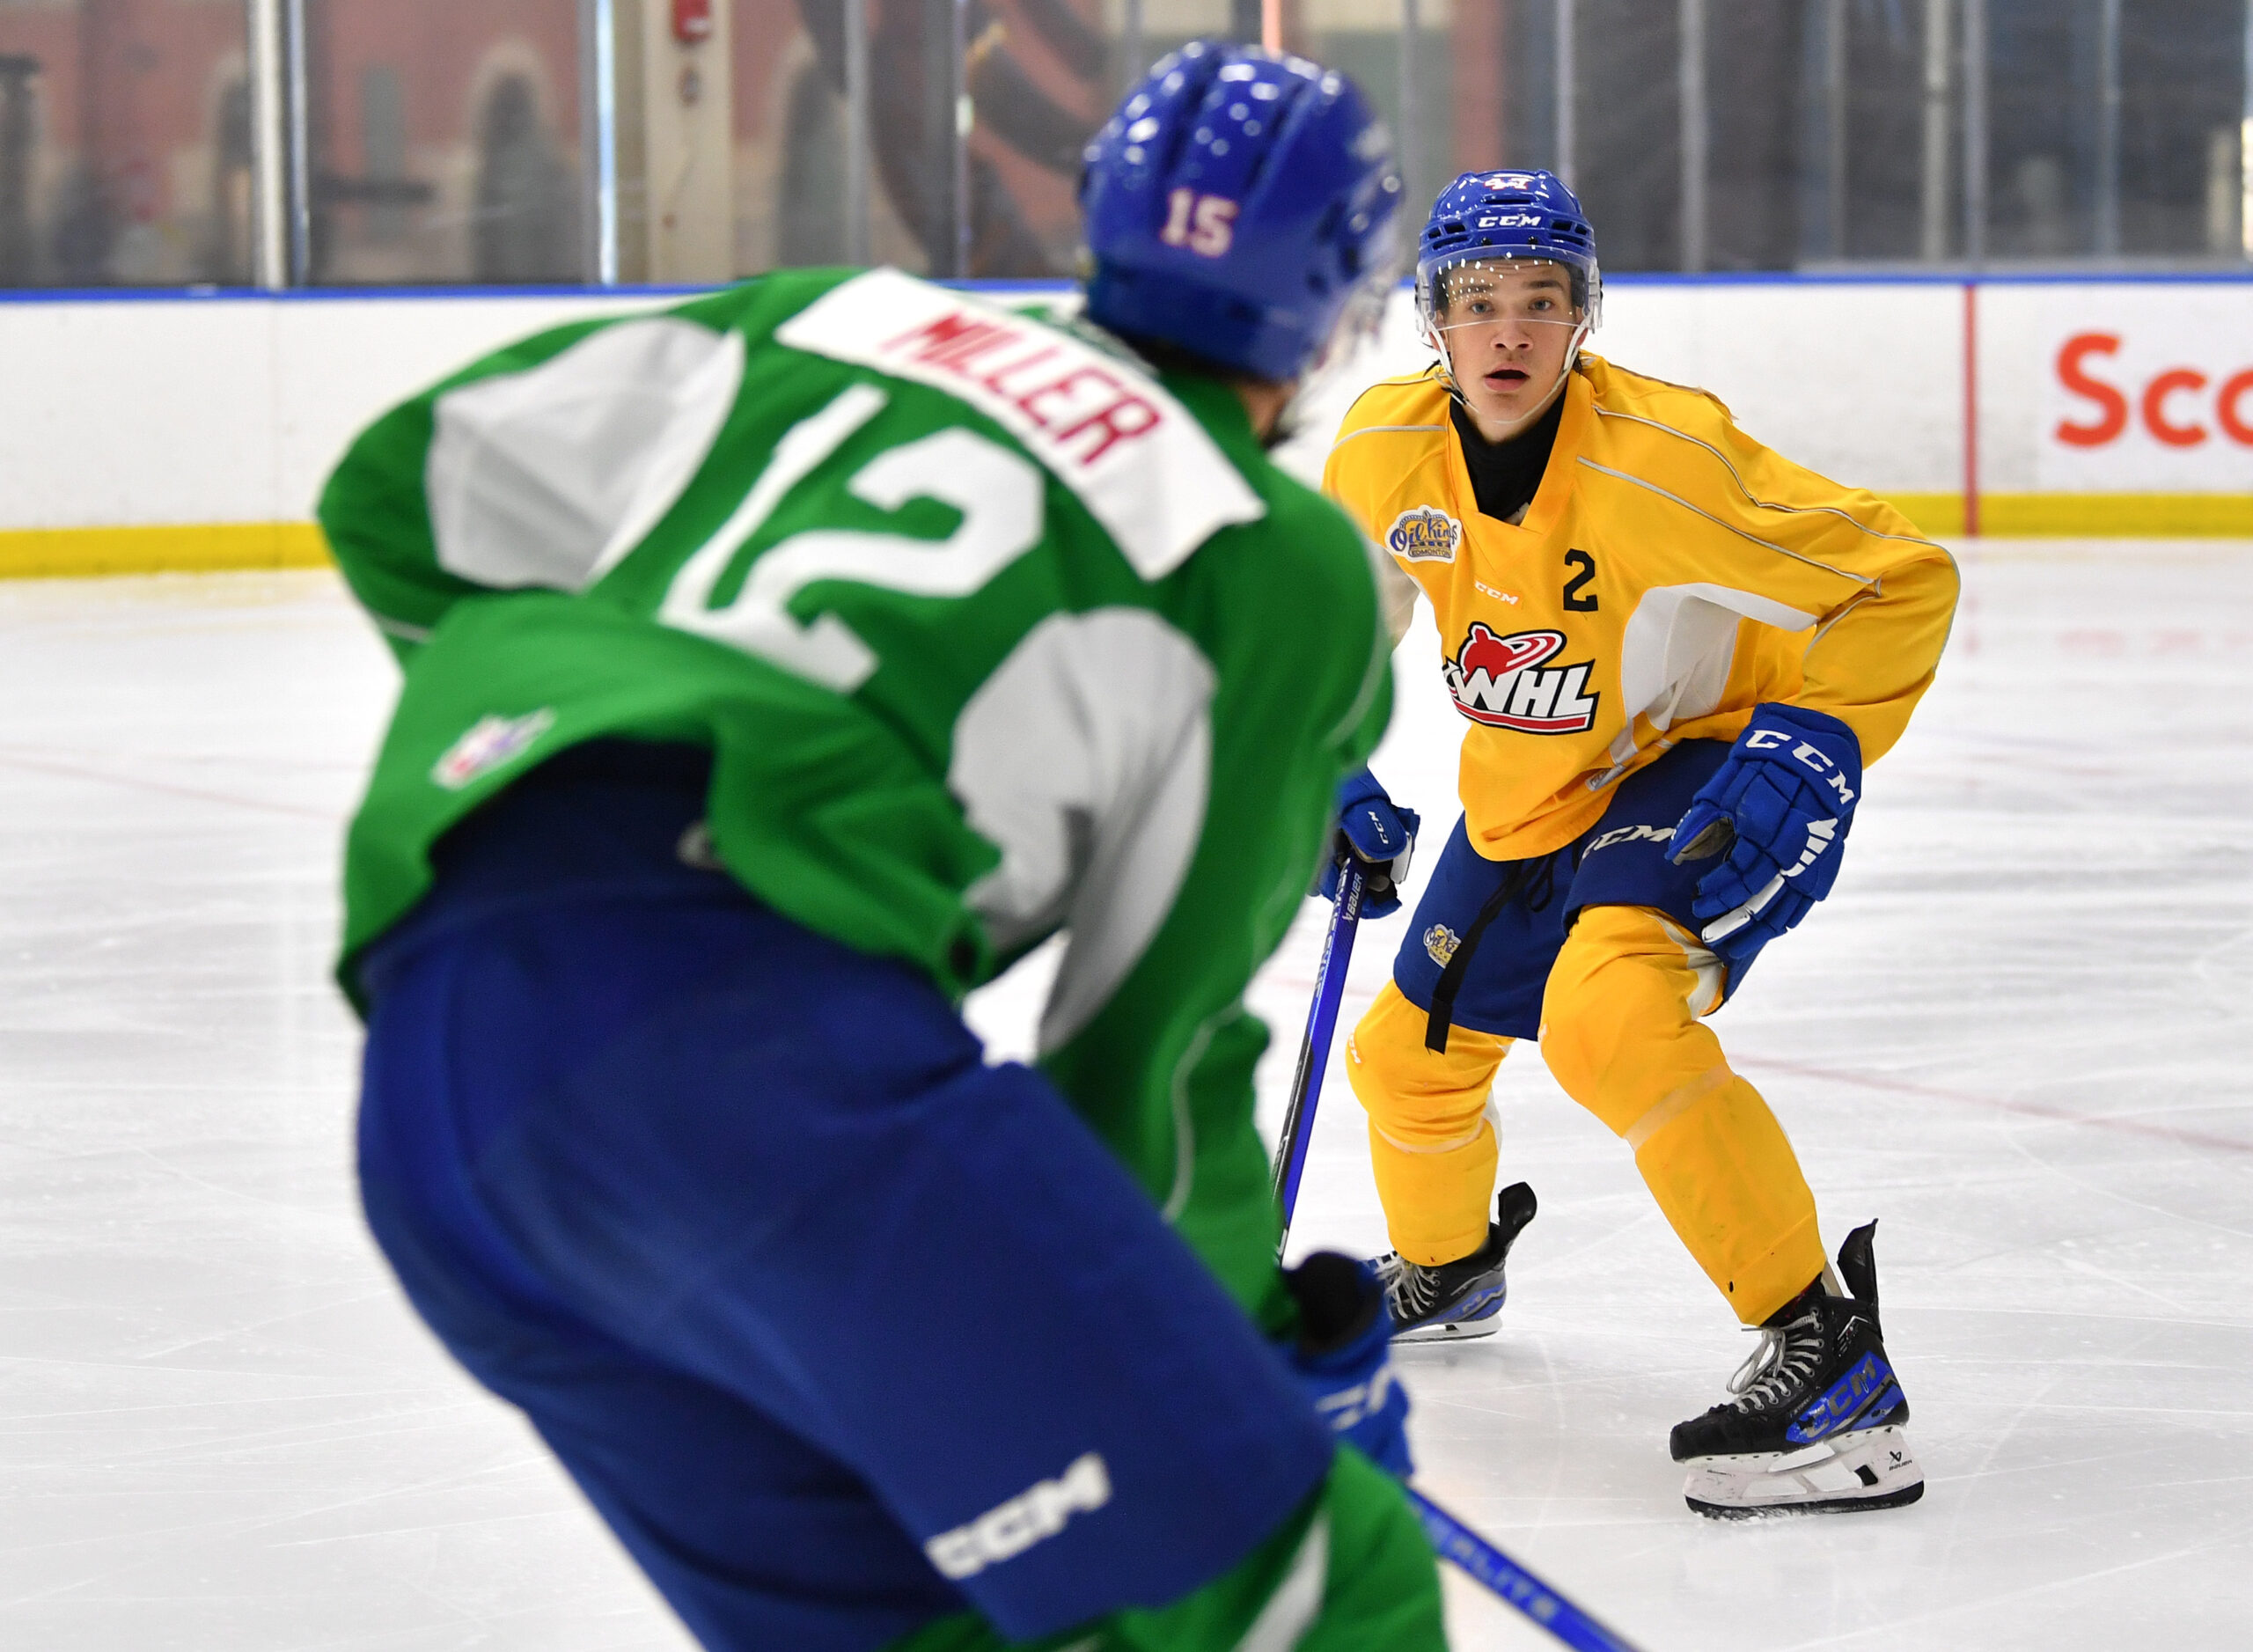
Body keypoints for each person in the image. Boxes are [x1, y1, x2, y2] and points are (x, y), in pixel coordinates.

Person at [321, 42, 1452, 1652]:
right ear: (1341, 298)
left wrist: (581, 724)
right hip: (750, 1069)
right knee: (1327, 1584)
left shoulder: (829, 319)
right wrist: (1248, 1359)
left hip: (438, 1084)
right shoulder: (1271, 559)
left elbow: (393, 493)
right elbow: (1152, 1067)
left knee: (942, 1628)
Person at [1320, 169, 1957, 1517]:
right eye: (1476, 301)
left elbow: (1900, 575)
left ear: (1584, 315)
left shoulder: (1664, 457)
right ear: (1432, 318)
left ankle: (1831, 1358)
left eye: (1540, 300)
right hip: (1535, 789)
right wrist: (1327, 757)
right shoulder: (1384, 453)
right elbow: (1331, 629)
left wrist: (1816, 741)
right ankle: (1449, 1268)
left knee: (1608, 1019)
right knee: (1407, 1058)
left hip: (1702, 763)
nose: (1508, 330)